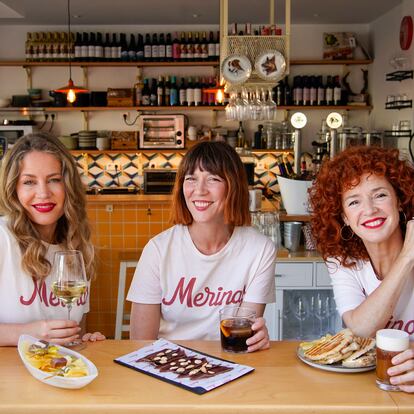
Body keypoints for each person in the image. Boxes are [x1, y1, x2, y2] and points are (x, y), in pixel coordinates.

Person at [127, 141, 276, 352]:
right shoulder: (158, 250)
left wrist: (256, 338)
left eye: (213, 179)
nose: (199, 190)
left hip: (231, 365)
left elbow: (240, 335)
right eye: (191, 179)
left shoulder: (259, 250)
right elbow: (140, 343)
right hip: (167, 367)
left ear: (233, 185)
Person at [309, 146, 414, 392]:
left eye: (380, 195)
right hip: (366, 389)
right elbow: (360, 330)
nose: (369, 209)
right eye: (354, 201)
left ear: (399, 200)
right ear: (344, 216)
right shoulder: (342, 260)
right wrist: (407, 257)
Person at [0, 133, 105, 346]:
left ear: (68, 186)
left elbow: (75, 330)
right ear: (14, 190)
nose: (43, 193)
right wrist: (27, 333)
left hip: (59, 375)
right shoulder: (3, 238)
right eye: (29, 181)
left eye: (54, 180)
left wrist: (84, 340)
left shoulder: (77, 246)